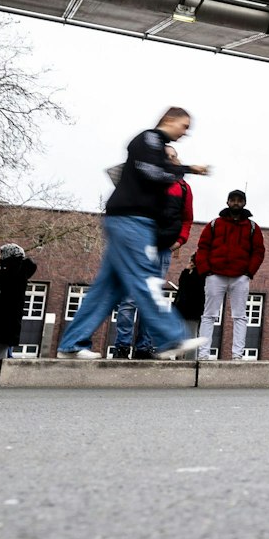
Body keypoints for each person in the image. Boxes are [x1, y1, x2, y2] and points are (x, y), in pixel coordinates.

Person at [57, 108, 208, 360]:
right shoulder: (150, 139)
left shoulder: (154, 144)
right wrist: (187, 169)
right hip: (132, 220)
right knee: (144, 279)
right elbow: (152, 173)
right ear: (169, 120)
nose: (185, 133)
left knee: (107, 288)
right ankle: (172, 337)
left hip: (128, 219)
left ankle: (71, 343)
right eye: (184, 126)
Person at [111, 162, 194, 359]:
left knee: (152, 298)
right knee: (130, 298)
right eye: (167, 156)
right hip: (139, 247)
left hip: (163, 249)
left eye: (175, 157)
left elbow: (187, 218)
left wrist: (179, 241)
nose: (172, 160)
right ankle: (122, 346)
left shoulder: (183, 187)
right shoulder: (146, 178)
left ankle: (144, 347)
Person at [195, 189, 266, 361]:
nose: (236, 203)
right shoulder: (214, 224)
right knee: (209, 315)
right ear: (227, 202)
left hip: (240, 276)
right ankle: (203, 354)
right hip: (215, 275)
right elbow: (202, 248)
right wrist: (206, 271)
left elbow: (258, 251)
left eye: (239, 200)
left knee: (239, 316)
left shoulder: (252, 227)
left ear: (244, 203)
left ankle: (237, 355)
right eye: (233, 200)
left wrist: (249, 272)